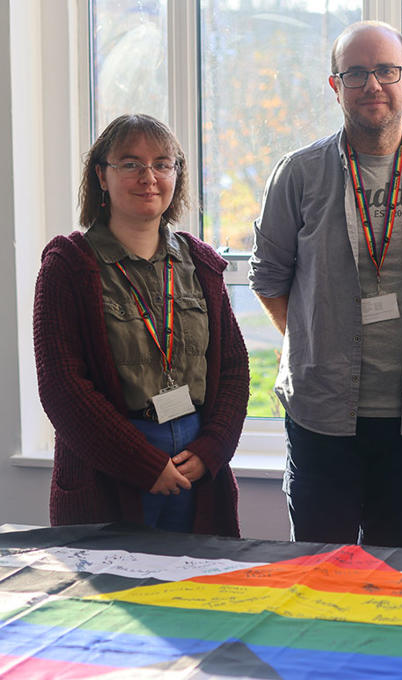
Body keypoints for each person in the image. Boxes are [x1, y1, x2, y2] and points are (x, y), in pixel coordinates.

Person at [249, 21, 402, 549]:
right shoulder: (299, 173)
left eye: (386, 71)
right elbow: (267, 275)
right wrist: (310, 340)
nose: (373, 84)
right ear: (336, 85)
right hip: (322, 415)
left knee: (394, 570)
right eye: (356, 72)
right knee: (318, 570)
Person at [34, 114, 249, 536]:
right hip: (110, 470)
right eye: (130, 164)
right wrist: (143, 464)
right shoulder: (68, 265)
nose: (148, 177)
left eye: (162, 164)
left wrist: (211, 450)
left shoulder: (199, 262)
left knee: (195, 595)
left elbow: (234, 372)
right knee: (116, 597)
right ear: (101, 175)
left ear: (176, 174)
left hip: (196, 466)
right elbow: (62, 387)